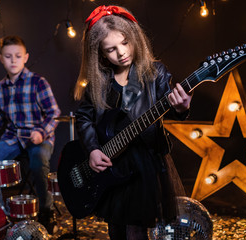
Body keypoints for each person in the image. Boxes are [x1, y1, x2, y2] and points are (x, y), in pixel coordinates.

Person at [73, 5, 192, 239]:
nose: (121, 53)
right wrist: (93, 150)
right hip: (111, 166)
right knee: (115, 229)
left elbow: (170, 107)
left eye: (125, 43)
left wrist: (181, 108)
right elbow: (84, 117)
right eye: (111, 49)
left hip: (143, 166)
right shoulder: (100, 82)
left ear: (135, 37)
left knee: (136, 231)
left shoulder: (155, 73)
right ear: (101, 54)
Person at [0, 35, 61, 234]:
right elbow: (2, 115)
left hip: (38, 136)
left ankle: (46, 210)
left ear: (26, 57)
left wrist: (41, 132)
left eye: (17, 56)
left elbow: (54, 113)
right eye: (8, 56)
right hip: (13, 137)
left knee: (37, 162)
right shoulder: (1, 86)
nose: (13, 60)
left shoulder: (38, 82)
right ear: (1, 58)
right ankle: (0, 212)